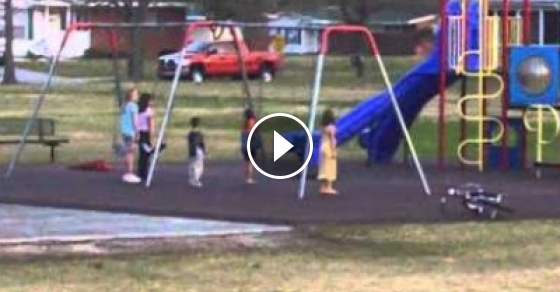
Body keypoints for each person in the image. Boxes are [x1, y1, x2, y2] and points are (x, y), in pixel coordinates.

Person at [119, 88, 141, 184]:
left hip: (125, 131)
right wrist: (137, 132)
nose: (137, 96)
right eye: (135, 94)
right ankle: (130, 173)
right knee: (130, 152)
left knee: (129, 152)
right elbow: (134, 120)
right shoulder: (133, 106)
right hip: (130, 132)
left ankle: (128, 172)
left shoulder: (124, 105)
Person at [318, 108, 338, 195]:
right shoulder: (331, 128)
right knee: (330, 167)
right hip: (329, 147)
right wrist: (334, 151)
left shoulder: (323, 128)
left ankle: (322, 187)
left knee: (323, 167)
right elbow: (332, 140)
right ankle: (329, 187)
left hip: (323, 147)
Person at [136, 93, 155, 182]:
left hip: (140, 133)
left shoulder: (138, 110)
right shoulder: (149, 111)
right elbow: (150, 125)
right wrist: (151, 138)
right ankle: (145, 173)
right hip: (146, 133)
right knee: (147, 154)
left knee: (142, 154)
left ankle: (140, 172)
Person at [240, 108, 262, 184]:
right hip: (250, 146)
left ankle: (247, 176)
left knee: (247, 162)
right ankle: (249, 178)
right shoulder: (252, 122)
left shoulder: (244, 124)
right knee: (250, 163)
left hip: (244, 146)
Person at [187, 117, 206, 187]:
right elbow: (201, 143)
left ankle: (192, 179)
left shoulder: (190, 134)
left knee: (192, 165)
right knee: (198, 167)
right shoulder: (199, 134)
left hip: (192, 151)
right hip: (198, 151)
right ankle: (195, 180)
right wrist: (204, 152)